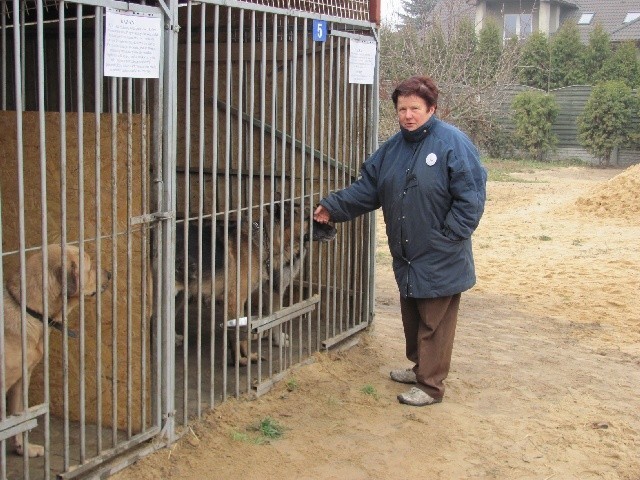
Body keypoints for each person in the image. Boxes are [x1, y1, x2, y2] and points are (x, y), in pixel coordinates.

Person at [314, 75, 487, 406]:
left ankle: (430, 386)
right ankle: (420, 367)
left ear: (431, 109)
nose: (408, 115)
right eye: (402, 108)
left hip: (441, 251)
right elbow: (368, 189)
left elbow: (472, 196)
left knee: (435, 321)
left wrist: (449, 236)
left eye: (416, 108)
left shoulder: (452, 143)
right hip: (407, 251)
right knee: (414, 314)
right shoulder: (392, 149)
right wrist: (333, 206)